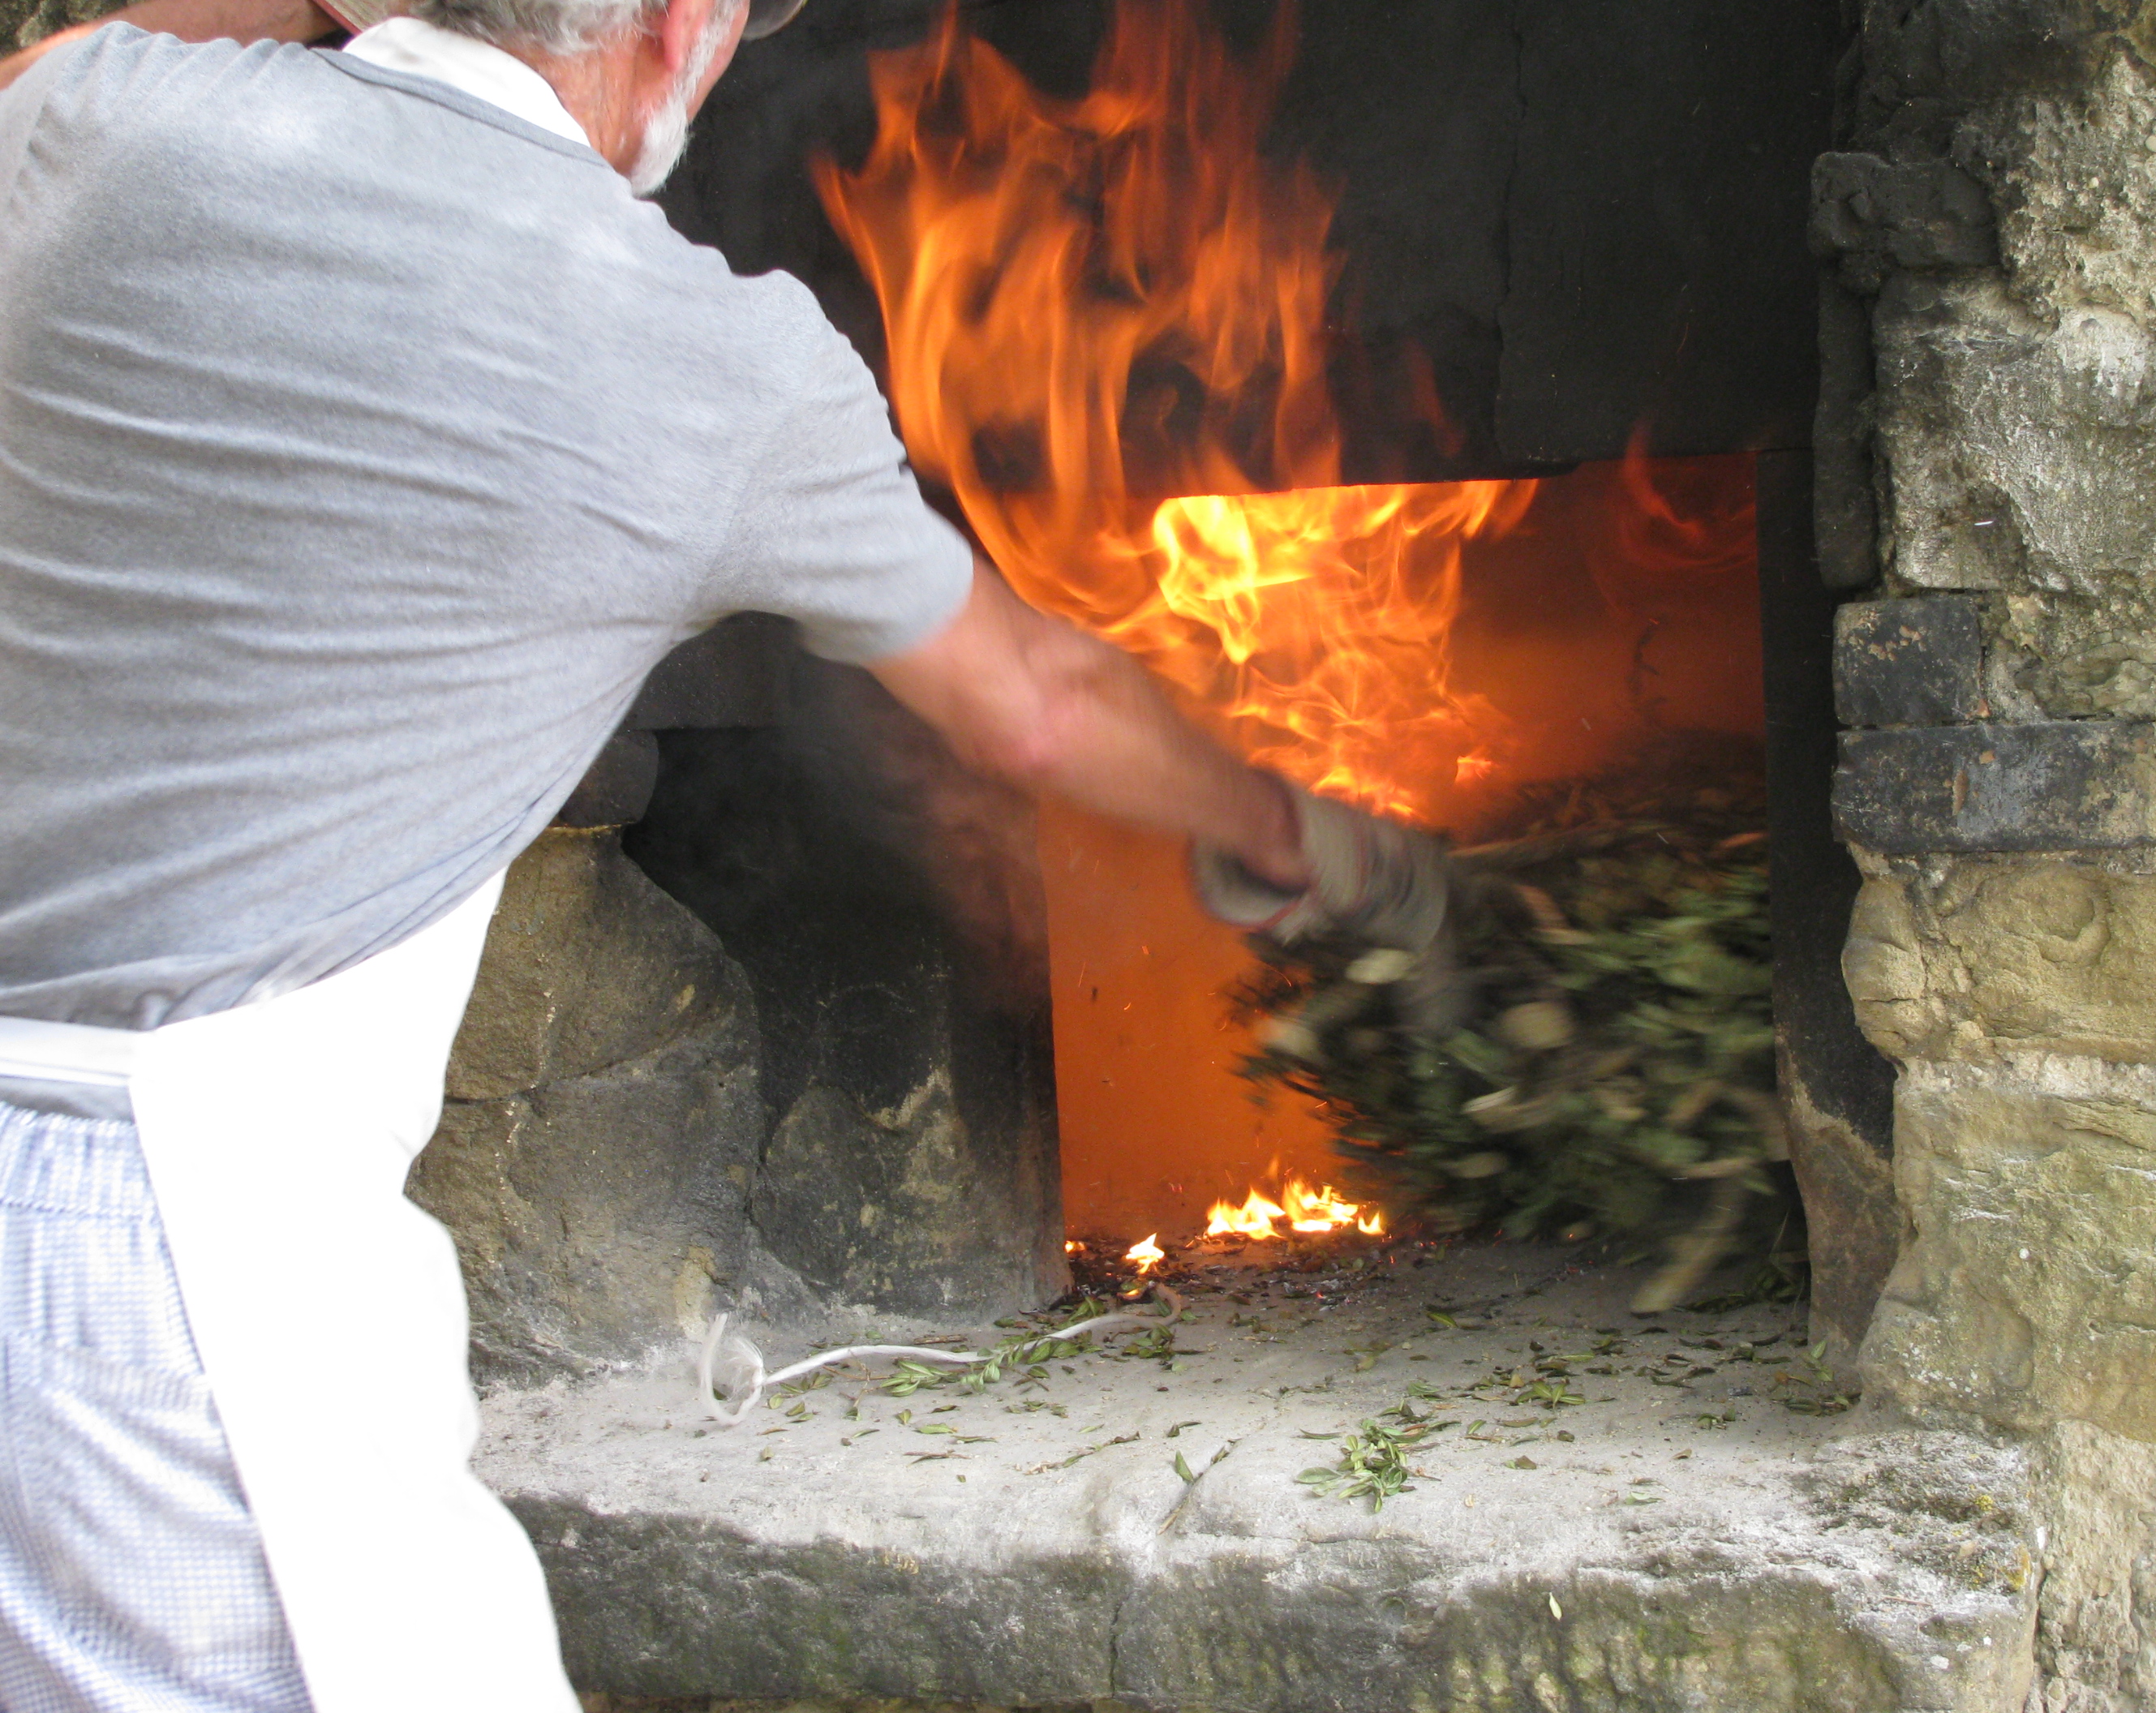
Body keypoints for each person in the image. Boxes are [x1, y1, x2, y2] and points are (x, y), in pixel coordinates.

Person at [0, 1, 1445, 1707]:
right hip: (162, 1261)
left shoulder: (97, 118)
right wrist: (1293, 832)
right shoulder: (707, 358)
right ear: (683, 30)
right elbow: (1040, 707)